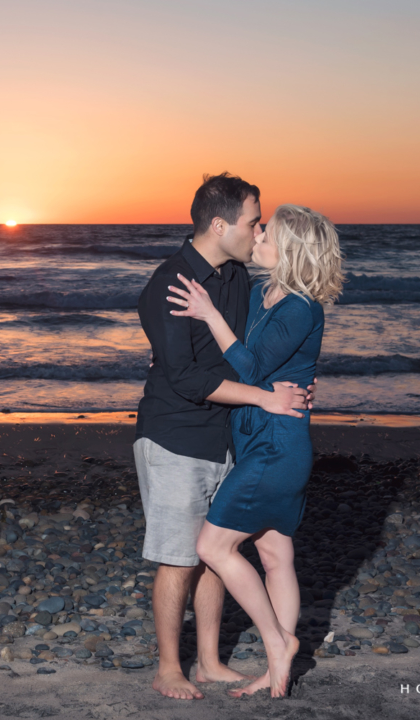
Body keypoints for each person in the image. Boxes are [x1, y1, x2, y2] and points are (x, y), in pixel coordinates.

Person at [134, 174, 314, 701]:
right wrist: (264, 398)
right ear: (220, 225)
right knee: (178, 557)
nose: (259, 230)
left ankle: (210, 660)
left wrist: (297, 381)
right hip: (175, 435)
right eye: (253, 221)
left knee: (217, 549)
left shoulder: (236, 278)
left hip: (228, 434)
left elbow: (257, 347)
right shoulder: (167, 284)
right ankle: (170, 666)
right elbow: (186, 378)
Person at [166, 203, 344, 698]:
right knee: (274, 553)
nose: (259, 233)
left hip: (276, 446)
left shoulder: (301, 307)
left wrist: (209, 315)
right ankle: (276, 670)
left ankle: (277, 641)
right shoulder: (262, 290)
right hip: (256, 439)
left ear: (289, 251)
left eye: (268, 232)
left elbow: (249, 366)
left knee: (212, 547)